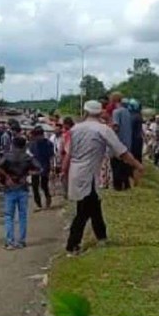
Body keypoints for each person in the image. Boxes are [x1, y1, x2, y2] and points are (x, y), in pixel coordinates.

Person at [62, 100, 144, 256]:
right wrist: (137, 165)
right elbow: (121, 151)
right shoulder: (102, 130)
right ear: (100, 113)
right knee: (83, 211)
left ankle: (102, 236)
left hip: (76, 172)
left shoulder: (75, 129)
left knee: (94, 205)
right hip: (90, 174)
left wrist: (64, 172)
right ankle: (72, 245)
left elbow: (68, 153)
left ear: (84, 112)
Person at [0, 136, 42, 250]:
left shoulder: (7, 155)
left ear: (13, 144)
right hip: (23, 187)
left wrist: (7, 177)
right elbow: (39, 168)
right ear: (24, 145)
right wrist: (28, 174)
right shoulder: (27, 157)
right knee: (22, 216)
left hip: (10, 187)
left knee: (9, 216)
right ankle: (21, 241)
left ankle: (10, 241)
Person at [28, 126, 54, 211]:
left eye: (39, 135)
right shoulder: (32, 144)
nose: (37, 138)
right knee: (35, 186)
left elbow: (51, 157)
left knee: (44, 185)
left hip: (45, 167)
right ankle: (38, 204)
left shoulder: (48, 144)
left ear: (42, 135)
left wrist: (52, 169)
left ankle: (47, 197)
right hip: (35, 167)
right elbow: (30, 157)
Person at [111, 95, 133, 190]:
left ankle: (118, 186)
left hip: (118, 142)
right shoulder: (128, 112)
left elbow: (116, 127)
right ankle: (126, 184)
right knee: (125, 165)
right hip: (127, 142)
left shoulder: (116, 112)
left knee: (116, 165)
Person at [129, 99, 144, 163]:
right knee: (137, 156)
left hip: (134, 138)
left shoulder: (134, 116)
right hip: (138, 138)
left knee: (135, 156)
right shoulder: (138, 115)